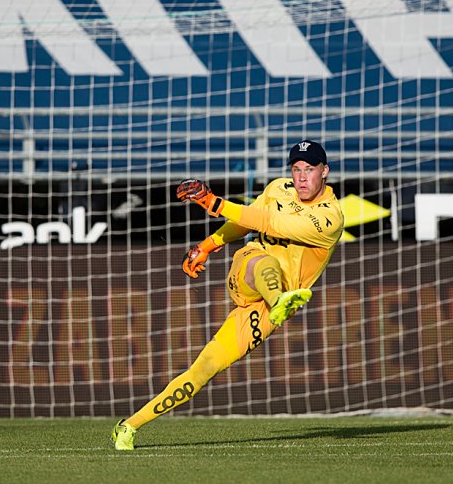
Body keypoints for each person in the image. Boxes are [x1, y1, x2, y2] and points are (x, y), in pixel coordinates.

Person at [111, 140, 345, 450]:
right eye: (296, 169)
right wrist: (207, 245)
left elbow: (271, 222)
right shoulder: (278, 189)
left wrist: (212, 202)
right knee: (263, 260)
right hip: (248, 272)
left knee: (205, 367)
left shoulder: (330, 218)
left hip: (264, 311)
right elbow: (247, 221)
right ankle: (279, 301)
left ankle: (128, 427)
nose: (302, 177)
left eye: (310, 170)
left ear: (324, 172)